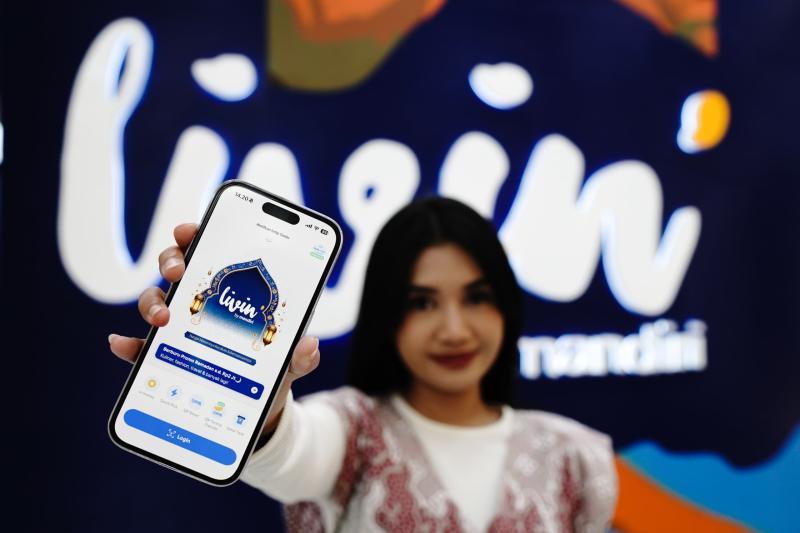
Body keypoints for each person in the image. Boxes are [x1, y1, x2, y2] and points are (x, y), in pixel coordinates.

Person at [109, 196, 618, 532]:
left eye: (477, 298)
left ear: (506, 305)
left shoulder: (575, 455)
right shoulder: (355, 431)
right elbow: (291, 454)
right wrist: (264, 397)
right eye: (422, 303)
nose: (454, 329)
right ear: (386, 314)